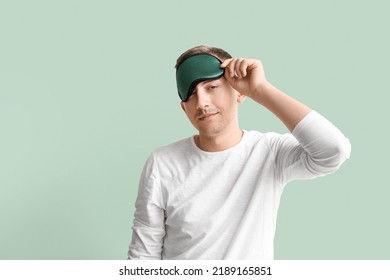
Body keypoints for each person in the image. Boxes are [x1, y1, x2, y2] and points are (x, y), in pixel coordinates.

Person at [127, 45, 351, 260]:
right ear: (184, 107)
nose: (202, 102)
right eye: (191, 94)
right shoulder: (162, 163)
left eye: (212, 87)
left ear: (239, 92)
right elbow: (143, 254)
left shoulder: (269, 152)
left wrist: (260, 89)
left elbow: (334, 151)